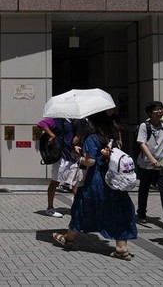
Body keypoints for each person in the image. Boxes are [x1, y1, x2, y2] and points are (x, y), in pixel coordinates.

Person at [52, 110, 137, 260]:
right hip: (114, 180)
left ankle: (68, 239)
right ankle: (122, 248)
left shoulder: (92, 138)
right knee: (118, 211)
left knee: (81, 207)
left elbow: (90, 161)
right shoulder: (113, 137)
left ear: (93, 122)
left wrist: (79, 156)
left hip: (96, 181)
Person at [135, 101, 163, 231]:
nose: (159, 111)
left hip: (162, 164)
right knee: (144, 189)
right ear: (149, 113)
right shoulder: (144, 126)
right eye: (156, 109)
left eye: (160, 109)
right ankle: (141, 213)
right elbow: (142, 143)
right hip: (147, 164)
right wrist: (152, 158)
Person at [36, 116, 75, 218]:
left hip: (71, 156)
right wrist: (52, 135)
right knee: (55, 182)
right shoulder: (57, 119)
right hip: (61, 156)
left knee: (75, 183)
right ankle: (50, 208)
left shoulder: (71, 120)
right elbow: (41, 123)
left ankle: (76, 208)